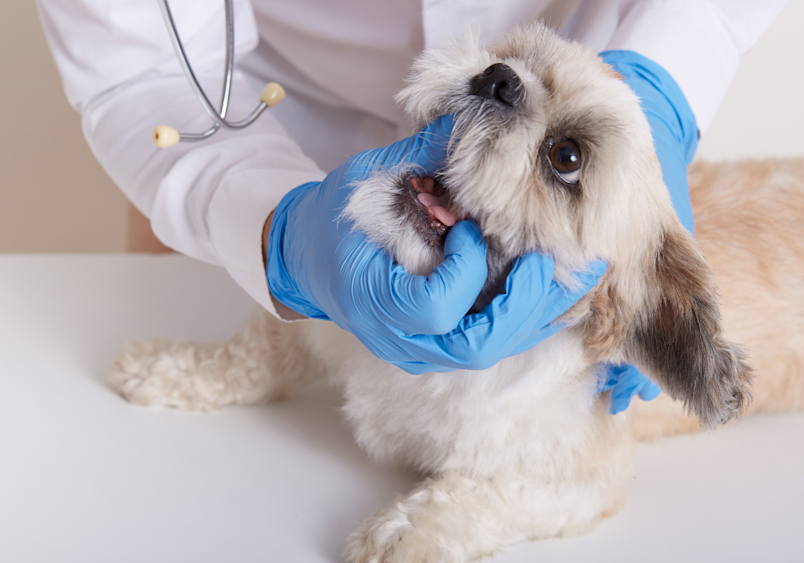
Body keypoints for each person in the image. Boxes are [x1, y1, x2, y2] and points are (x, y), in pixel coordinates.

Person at [37, 0, 787, 412]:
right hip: (250, 111)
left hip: (585, 51)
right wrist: (275, 236)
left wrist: (660, 82)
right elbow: (139, 73)